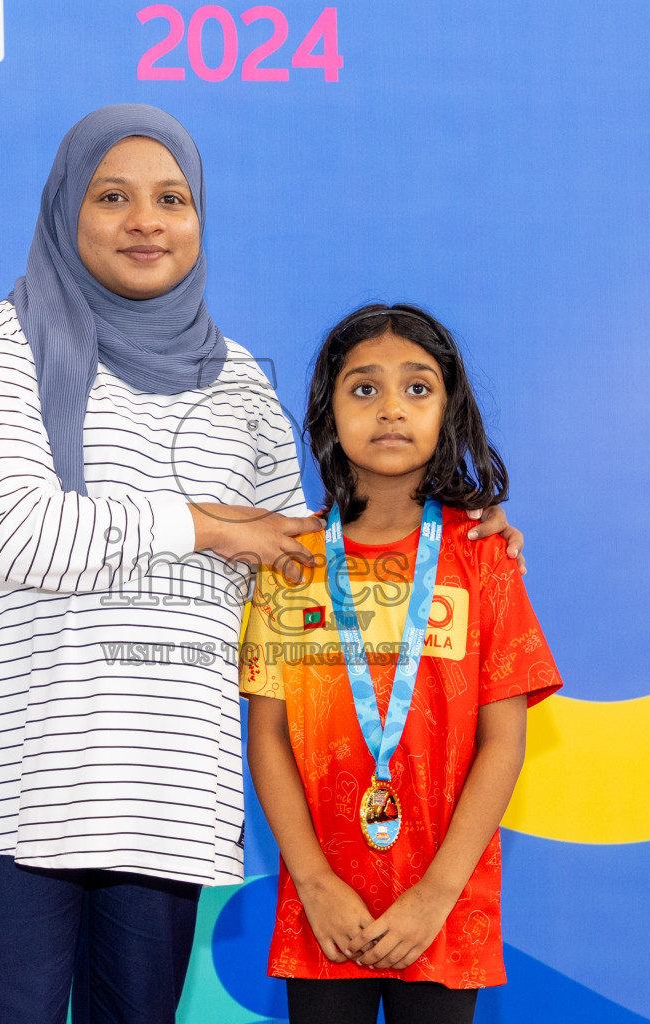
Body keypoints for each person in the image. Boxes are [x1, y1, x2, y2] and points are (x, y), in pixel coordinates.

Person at [0, 105, 527, 1024]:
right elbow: (22, 533)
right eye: (113, 197)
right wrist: (205, 526)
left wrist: (454, 518)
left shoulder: (237, 380)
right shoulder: (4, 346)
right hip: (22, 775)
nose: (145, 221)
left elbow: (300, 554)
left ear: (201, 221)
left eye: (172, 199)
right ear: (66, 209)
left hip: (166, 783)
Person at [241, 304, 563, 1024]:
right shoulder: (290, 563)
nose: (391, 409)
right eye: (364, 389)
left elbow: (503, 740)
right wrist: (315, 881)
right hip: (324, 907)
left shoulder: (484, 555)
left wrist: (438, 893)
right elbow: (267, 738)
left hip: (444, 905)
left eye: (417, 388)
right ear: (327, 413)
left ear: (449, 409)